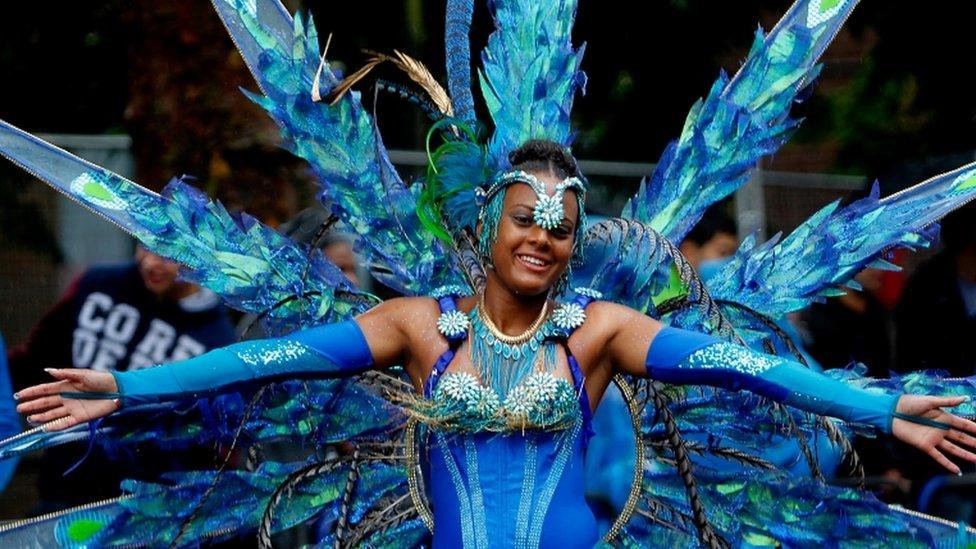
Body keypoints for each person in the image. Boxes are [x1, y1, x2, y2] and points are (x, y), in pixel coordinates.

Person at [14, 142, 976, 547]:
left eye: (560, 224)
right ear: (491, 225)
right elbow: (268, 358)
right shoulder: (416, 325)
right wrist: (126, 388)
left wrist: (882, 408)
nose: (542, 236)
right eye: (525, 217)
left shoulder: (603, 331)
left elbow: (751, 368)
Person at [6, 246, 236, 511]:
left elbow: (206, 442)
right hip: (62, 485)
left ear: (200, 254)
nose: (151, 263)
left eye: (168, 255)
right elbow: (37, 356)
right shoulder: (99, 284)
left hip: (141, 505)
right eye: (144, 246)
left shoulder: (217, 342)